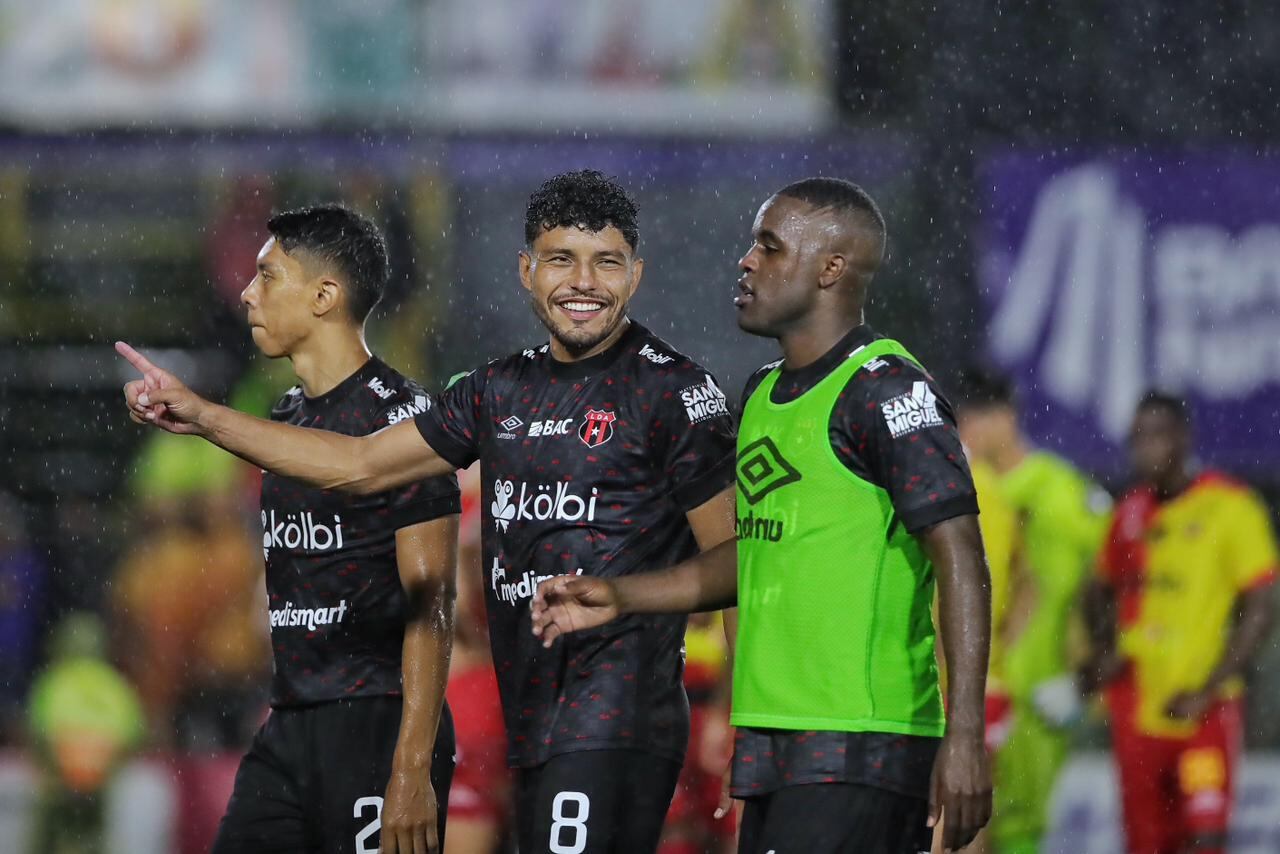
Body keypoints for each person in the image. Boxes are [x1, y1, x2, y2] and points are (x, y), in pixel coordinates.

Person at [118, 171, 738, 854]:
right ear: (527, 271)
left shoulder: (675, 392)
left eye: (607, 262)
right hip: (531, 715)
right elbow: (358, 465)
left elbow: (737, 562)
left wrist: (737, 710)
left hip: (617, 715)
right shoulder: (496, 391)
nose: (583, 282)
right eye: (562, 260)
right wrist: (204, 417)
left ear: (637, 273)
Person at [530, 177, 993, 853]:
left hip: (860, 741)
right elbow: (755, 558)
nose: (746, 262)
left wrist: (966, 736)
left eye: (769, 248)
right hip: (777, 743)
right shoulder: (765, 393)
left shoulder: (887, 390)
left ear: (831, 268)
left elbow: (962, 559)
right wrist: (622, 594)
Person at [126, 204, 462, 854]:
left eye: (267, 276)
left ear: (324, 295)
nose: (248, 294)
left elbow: (434, 605)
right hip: (289, 725)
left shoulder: (408, 423)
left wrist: (412, 765)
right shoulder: (285, 414)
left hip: (379, 722)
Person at [1080, 391, 1277, 854]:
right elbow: (1096, 591)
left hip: (1202, 712)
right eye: (1138, 437)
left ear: (1182, 438)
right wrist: (1104, 650)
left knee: (1206, 837)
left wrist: (1211, 686)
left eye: (1157, 435)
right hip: (1137, 710)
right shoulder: (1128, 512)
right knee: (1147, 842)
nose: (1146, 447)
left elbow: (1262, 605)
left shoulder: (1230, 506)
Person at [954, 369, 1110, 854]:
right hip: (976, 683)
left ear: (1007, 416)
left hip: (1040, 688)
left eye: (978, 417)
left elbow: (1107, 586)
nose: (968, 429)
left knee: (1020, 824)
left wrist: (1084, 677)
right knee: (964, 823)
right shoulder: (959, 488)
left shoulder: (1059, 491)